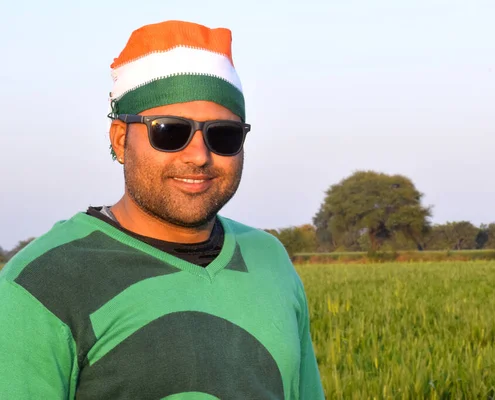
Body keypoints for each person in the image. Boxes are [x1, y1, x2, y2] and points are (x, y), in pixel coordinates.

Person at [0, 20, 325, 400]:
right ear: (121, 140)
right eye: (170, 132)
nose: (200, 156)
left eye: (223, 135)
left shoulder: (270, 260)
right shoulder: (42, 284)